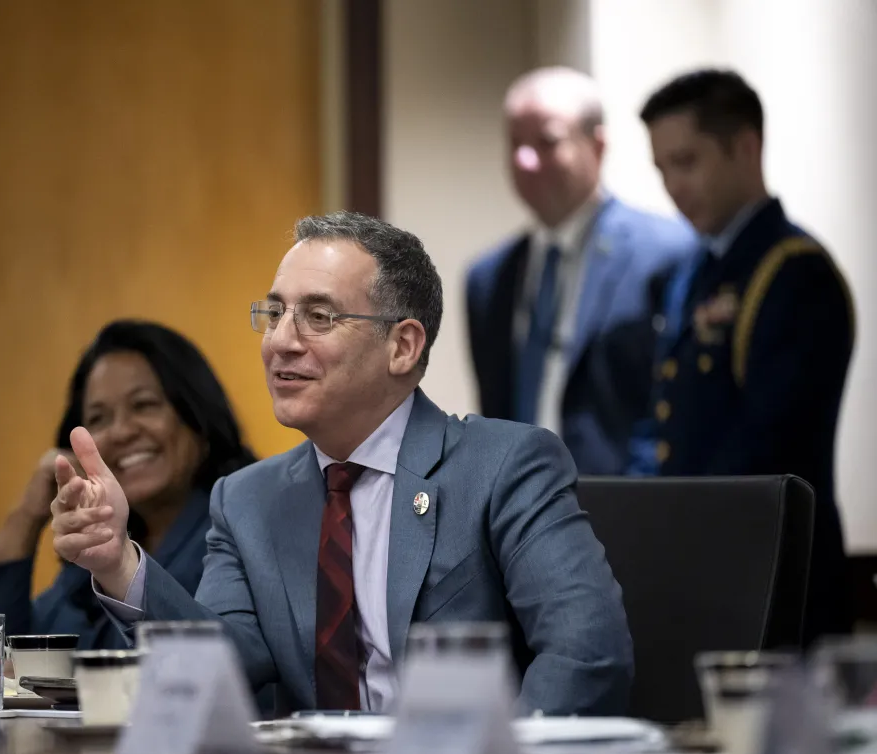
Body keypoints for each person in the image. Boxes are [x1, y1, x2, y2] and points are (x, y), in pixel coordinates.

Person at [50, 212, 634, 717]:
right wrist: (120, 562)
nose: (281, 340)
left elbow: (586, 649)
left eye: (318, 317)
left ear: (402, 346)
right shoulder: (247, 499)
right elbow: (224, 667)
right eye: (274, 313)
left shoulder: (504, 466)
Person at [631, 69, 856, 643]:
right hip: (703, 567)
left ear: (746, 147)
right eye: (662, 170)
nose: (674, 187)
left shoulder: (793, 273)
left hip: (774, 572)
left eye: (687, 162)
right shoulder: (696, 272)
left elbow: (770, 444)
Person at [0, 320, 256, 647]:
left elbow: (224, 664)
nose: (121, 432)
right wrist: (27, 516)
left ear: (200, 420)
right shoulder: (93, 554)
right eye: (99, 418)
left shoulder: (240, 535)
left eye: (144, 405)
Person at [466, 67, 693, 474]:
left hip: (630, 511)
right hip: (519, 518)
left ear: (598, 146)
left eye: (547, 141)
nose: (524, 160)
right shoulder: (488, 278)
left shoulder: (667, 254)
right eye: (514, 142)